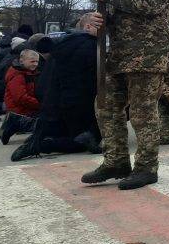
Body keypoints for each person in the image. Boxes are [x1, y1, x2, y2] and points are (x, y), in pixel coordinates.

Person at [82, 0, 169, 190]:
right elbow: (116, 9)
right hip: (120, 55)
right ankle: (116, 161)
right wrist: (95, 19)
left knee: (142, 113)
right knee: (105, 104)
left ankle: (147, 167)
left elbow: (150, 3)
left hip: (146, 57)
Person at [11, 17, 101, 162]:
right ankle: (42, 145)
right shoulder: (91, 46)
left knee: (65, 132)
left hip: (53, 104)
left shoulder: (63, 44)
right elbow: (94, 81)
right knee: (82, 141)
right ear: (88, 27)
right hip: (77, 105)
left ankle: (34, 139)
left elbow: (45, 80)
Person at [0, 49, 42, 144]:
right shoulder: (18, 75)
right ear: (22, 60)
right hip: (20, 111)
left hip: (23, 109)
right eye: (32, 61)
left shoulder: (27, 72)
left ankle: (13, 125)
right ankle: (13, 123)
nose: (35, 64)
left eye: (37, 61)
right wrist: (40, 104)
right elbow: (21, 98)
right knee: (44, 123)